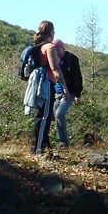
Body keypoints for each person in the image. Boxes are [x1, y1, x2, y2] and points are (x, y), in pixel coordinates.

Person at [29, 21, 70, 155]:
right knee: (43, 117)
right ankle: (38, 150)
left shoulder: (39, 46)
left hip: (38, 84)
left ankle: (40, 147)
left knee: (41, 115)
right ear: (51, 32)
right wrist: (64, 87)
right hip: (46, 84)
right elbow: (55, 69)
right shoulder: (49, 47)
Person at [52, 39, 82, 148]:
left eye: (58, 50)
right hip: (57, 92)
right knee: (55, 116)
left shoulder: (71, 59)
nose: (57, 52)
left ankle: (63, 144)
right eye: (54, 50)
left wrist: (78, 94)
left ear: (63, 48)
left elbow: (78, 77)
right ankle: (59, 142)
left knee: (59, 113)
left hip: (70, 92)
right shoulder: (53, 59)